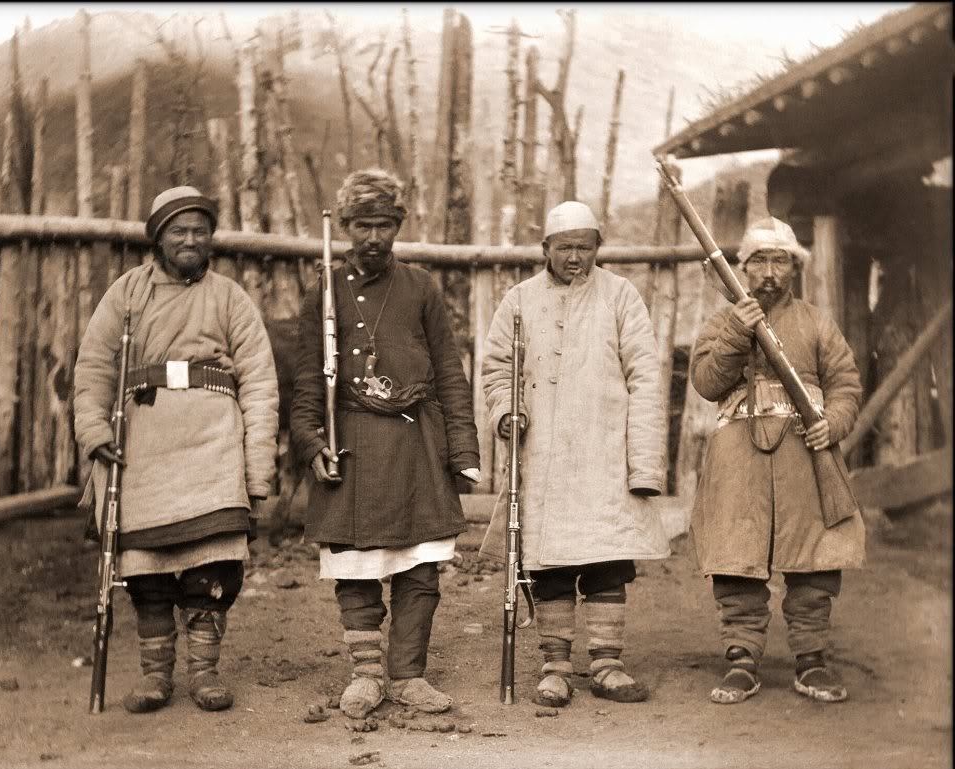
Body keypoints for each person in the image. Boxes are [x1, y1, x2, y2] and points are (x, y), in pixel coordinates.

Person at [74, 185, 278, 713]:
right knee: (147, 569)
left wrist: (257, 470)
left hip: (213, 445)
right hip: (143, 444)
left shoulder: (230, 297)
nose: (190, 240)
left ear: (211, 238)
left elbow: (258, 380)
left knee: (215, 564)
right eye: (178, 231)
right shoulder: (126, 293)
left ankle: (204, 672)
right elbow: (94, 367)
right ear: (158, 237)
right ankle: (156, 676)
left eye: (200, 231)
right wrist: (94, 432)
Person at [291, 168, 481, 719]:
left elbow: (449, 372)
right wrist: (311, 444)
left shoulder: (421, 287)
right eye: (362, 225)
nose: (373, 237)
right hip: (350, 442)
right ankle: (367, 676)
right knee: (356, 564)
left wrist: (461, 451)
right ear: (345, 226)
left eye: (384, 225)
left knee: (419, 567)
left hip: (415, 440)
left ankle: (408, 676)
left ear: (399, 225)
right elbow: (307, 383)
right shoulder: (322, 292)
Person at [479, 200, 669, 707]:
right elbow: (497, 369)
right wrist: (507, 410)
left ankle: (607, 663)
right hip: (543, 459)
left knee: (607, 561)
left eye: (585, 249)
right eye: (565, 248)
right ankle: (555, 665)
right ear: (545, 249)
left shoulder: (621, 296)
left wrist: (643, 464)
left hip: (605, 454)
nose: (575, 258)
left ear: (597, 249)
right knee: (550, 566)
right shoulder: (519, 300)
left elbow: (647, 377)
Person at [689, 216, 865, 705]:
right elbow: (705, 383)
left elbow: (846, 385)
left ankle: (811, 660)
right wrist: (735, 335)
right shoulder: (722, 322)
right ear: (742, 267)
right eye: (759, 260)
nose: (769, 272)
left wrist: (834, 421)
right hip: (737, 458)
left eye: (780, 260)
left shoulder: (816, 322)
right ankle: (741, 660)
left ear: (795, 268)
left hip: (804, 456)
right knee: (737, 558)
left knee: (814, 559)